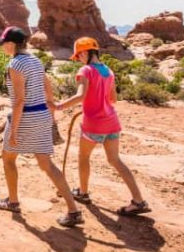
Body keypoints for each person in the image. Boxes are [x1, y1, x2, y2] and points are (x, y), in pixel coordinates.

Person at [0, 26, 83, 227]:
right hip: (41, 114)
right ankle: (73, 210)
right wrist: (51, 109)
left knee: (8, 158)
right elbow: (46, 84)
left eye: (3, 43)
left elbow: (19, 100)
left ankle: (13, 201)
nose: (2, 47)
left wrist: (13, 130)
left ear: (12, 44)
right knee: (46, 164)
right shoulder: (35, 60)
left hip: (25, 117)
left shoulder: (15, 64)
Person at [56, 37, 150, 215]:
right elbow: (113, 99)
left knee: (83, 157)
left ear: (84, 52)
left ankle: (83, 193)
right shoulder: (108, 70)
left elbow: (80, 96)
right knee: (115, 160)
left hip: (93, 124)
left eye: (78, 56)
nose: (79, 59)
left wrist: (58, 106)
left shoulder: (85, 70)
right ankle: (138, 201)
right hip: (112, 123)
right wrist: (98, 101)